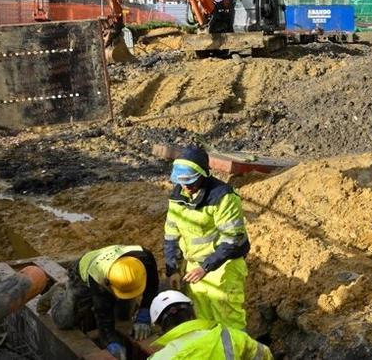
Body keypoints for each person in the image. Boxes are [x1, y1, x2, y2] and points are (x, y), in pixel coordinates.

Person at [164, 144, 251, 330]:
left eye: (191, 181)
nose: (186, 187)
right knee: (203, 322)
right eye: (182, 182)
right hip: (194, 266)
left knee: (229, 321)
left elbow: (232, 239)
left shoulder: (223, 197)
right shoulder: (177, 196)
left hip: (224, 266)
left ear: (204, 174)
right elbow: (171, 236)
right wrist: (172, 269)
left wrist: (206, 267)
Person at [49, 244, 159, 360]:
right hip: (83, 275)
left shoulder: (145, 259)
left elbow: (152, 286)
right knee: (63, 321)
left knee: (123, 316)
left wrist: (144, 312)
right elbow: (103, 319)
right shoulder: (98, 279)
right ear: (108, 284)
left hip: (114, 263)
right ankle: (60, 291)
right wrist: (111, 342)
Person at [149, 290, 272, 359]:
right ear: (193, 313)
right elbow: (264, 355)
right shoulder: (229, 337)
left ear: (160, 327)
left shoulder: (159, 358)